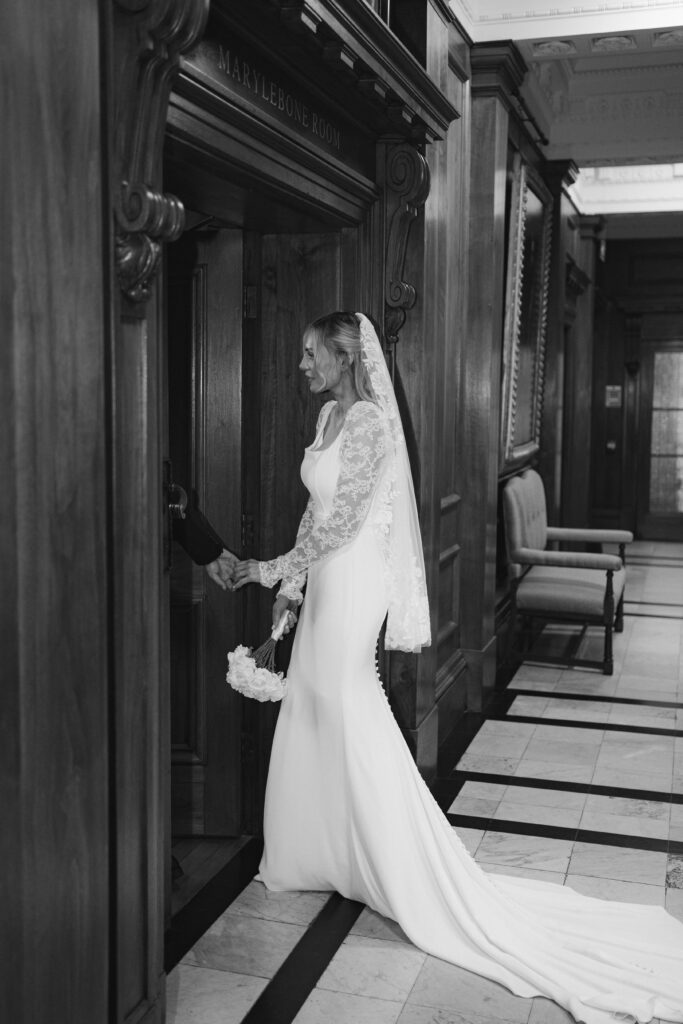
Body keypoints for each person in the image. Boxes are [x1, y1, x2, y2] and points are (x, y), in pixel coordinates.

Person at [231, 312, 683, 1024]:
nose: (302, 366)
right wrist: (285, 605)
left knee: (349, 705)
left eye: (310, 353)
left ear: (346, 356)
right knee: (311, 704)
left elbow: (344, 526)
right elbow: (310, 519)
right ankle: (314, 853)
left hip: (355, 587)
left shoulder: (374, 425)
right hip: (322, 583)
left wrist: (261, 571)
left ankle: (403, 869)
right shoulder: (326, 417)